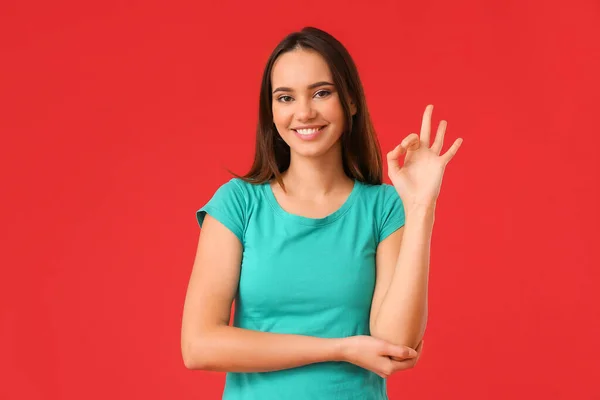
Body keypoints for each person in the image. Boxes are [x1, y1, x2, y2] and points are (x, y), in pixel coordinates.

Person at [181, 26, 463, 399]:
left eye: (321, 92)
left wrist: (421, 206)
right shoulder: (238, 204)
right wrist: (339, 348)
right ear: (271, 110)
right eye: (285, 97)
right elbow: (199, 346)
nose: (304, 112)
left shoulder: (382, 208)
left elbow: (396, 343)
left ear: (350, 101)